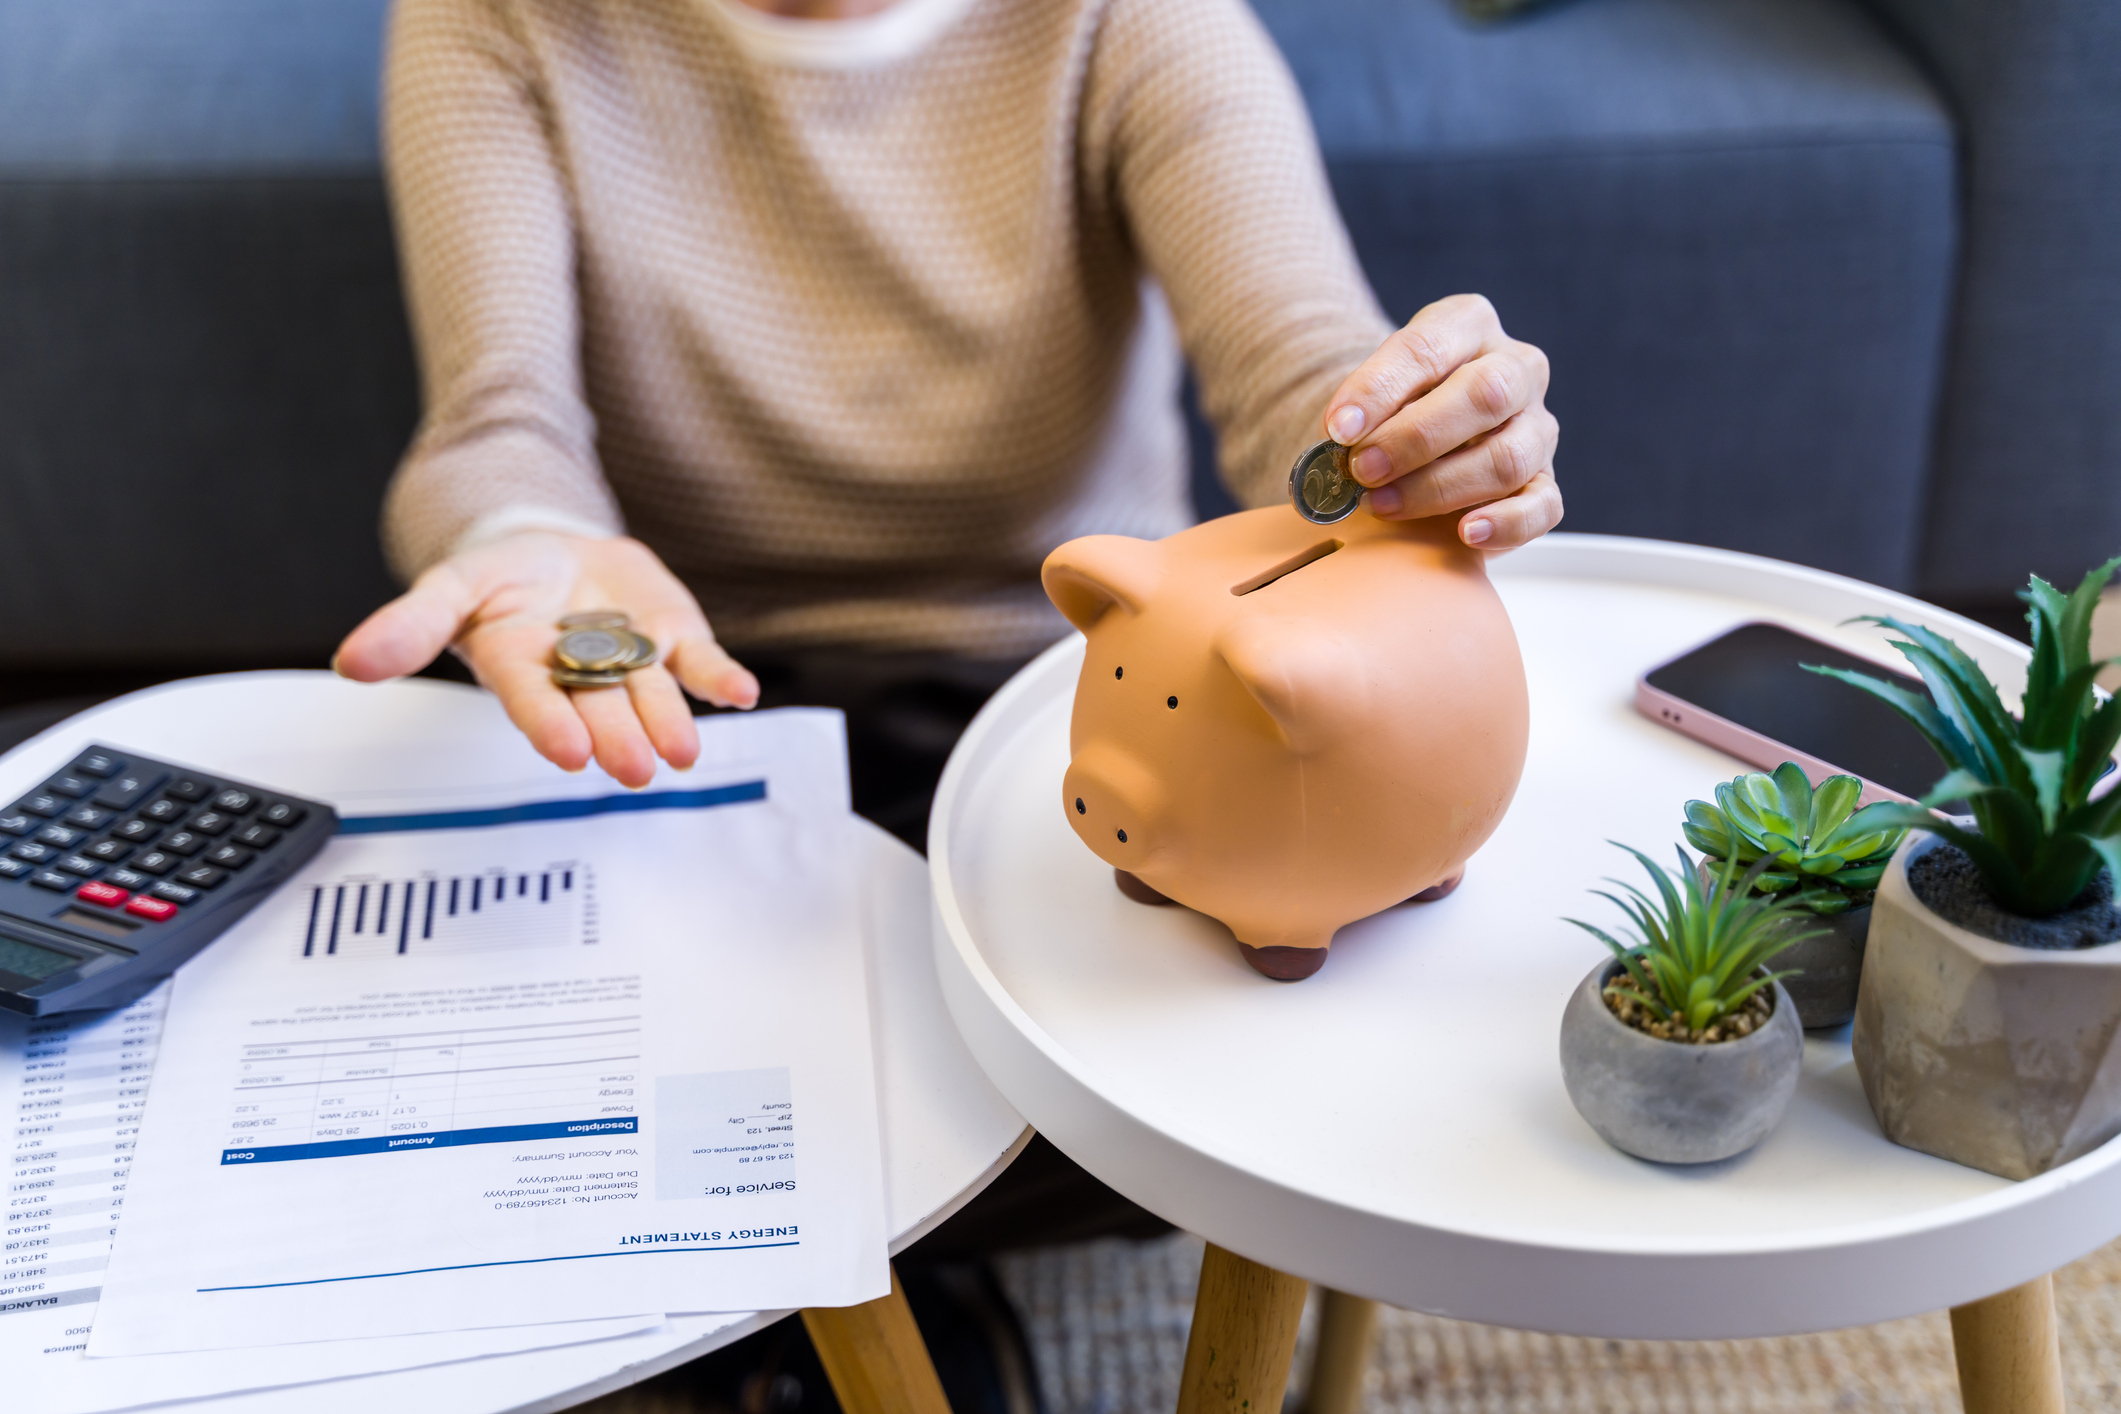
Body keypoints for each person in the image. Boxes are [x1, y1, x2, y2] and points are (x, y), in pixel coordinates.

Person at [330, 0, 1560, 1395]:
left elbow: (1299, 384)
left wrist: (1419, 441)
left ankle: (778, 1281)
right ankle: (866, 1263)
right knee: (478, 1033)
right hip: (683, 688)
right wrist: (513, 541)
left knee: (1150, 1071)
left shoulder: (1127, 22)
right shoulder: (492, 20)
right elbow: (498, 427)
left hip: (1047, 689)